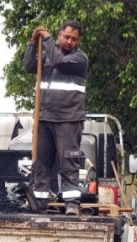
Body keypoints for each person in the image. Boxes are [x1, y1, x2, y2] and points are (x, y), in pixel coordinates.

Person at [22, 20, 88, 216]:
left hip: (68, 118)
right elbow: (28, 66)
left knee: (68, 162)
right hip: (44, 117)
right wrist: (33, 44)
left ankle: (72, 204)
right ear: (60, 35)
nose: (69, 41)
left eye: (73, 39)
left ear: (78, 41)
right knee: (41, 162)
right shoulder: (46, 55)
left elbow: (59, 61)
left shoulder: (79, 59)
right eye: (66, 37)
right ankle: (38, 203)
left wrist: (48, 39)